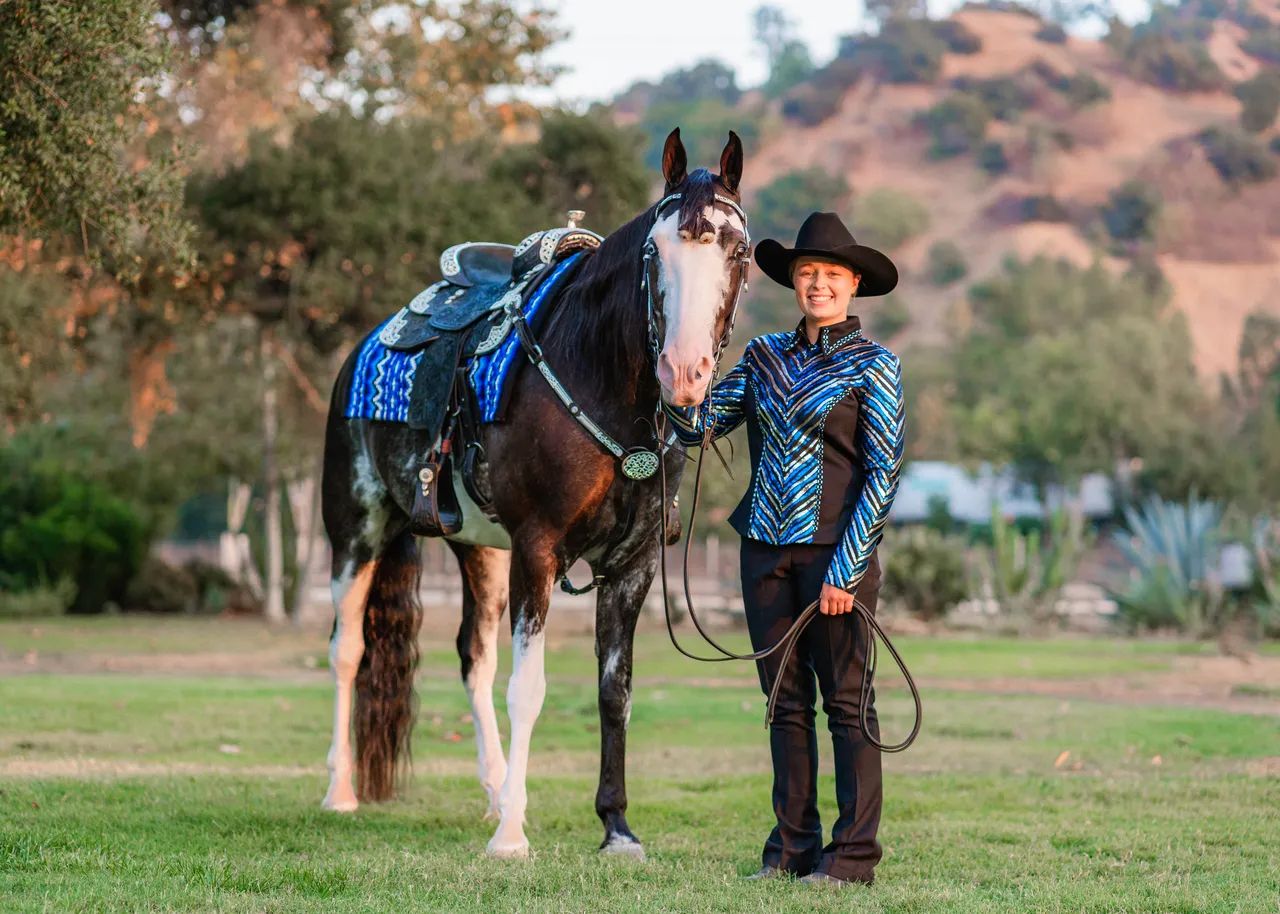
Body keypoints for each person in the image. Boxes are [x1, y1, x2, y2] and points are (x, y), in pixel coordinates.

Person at [664, 211, 905, 887]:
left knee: (848, 704)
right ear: (793, 283)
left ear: (853, 283)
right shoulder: (765, 355)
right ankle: (792, 851)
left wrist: (848, 571)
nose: (818, 284)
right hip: (764, 552)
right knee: (784, 703)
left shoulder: (876, 366)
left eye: (830, 274)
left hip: (835, 556)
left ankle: (852, 858)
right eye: (807, 273)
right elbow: (704, 426)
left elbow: (882, 473)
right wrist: (684, 396)